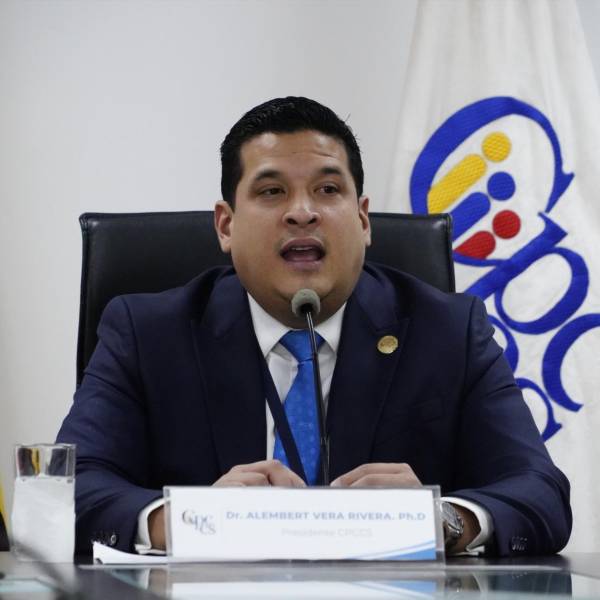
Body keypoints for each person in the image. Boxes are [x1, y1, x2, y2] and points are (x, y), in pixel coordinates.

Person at [57, 96, 571, 557]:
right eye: (272, 191)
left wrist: (440, 521)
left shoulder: (449, 332)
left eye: (328, 189)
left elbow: (538, 491)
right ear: (226, 225)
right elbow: (70, 488)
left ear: (363, 220)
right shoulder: (147, 334)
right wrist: (188, 520)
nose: (302, 213)